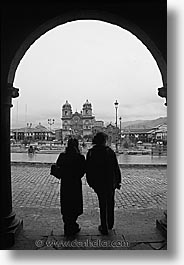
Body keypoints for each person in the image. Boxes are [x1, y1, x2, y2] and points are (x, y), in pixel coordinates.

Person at [86, 132, 121, 235]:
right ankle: (110, 223)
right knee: (110, 202)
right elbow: (116, 168)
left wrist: (91, 182)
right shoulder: (110, 152)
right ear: (104, 140)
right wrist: (118, 181)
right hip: (110, 182)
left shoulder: (91, 152)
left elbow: (88, 169)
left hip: (98, 182)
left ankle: (104, 226)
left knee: (102, 203)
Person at [56, 138, 86, 237]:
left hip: (65, 184)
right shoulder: (80, 157)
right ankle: (73, 224)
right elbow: (82, 171)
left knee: (66, 204)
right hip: (75, 184)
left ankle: (67, 225)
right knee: (75, 204)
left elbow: (58, 167)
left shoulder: (62, 156)